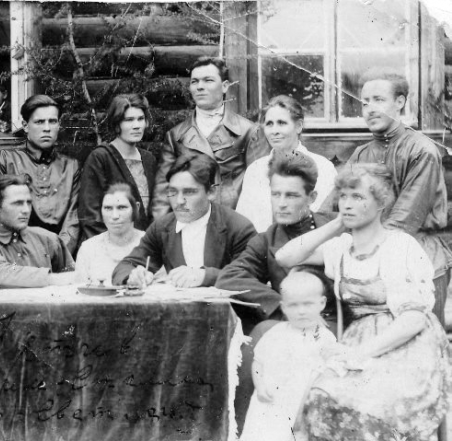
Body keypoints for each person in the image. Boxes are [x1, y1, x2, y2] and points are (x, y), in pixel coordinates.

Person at [275, 164, 451, 441]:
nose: (348, 203)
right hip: (357, 339)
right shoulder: (340, 247)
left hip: (408, 342)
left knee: (377, 399)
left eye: (358, 197)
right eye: (344, 196)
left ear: (381, 202)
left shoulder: (401, 246)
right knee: (320, 396)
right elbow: (286, 257)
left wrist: (362, 355)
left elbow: (413, 319)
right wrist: (337, 225)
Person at [347, 71, 451, 326]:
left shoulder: (422, 150)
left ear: (400, 102)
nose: (370, 109)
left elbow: (405, 219)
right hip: (372, 263)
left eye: (379, 100)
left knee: (423, 338)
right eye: (365, 102)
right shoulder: (360, 155)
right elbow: (336, 210)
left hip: (420, 258)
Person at [237, 270, 336, 441]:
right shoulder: (276, 333)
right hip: (270, 408)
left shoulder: (325, 339)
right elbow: (258, 363)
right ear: (283, 307)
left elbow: (324, 378)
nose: (301, 311)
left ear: (321, 304)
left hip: (300, 412)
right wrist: (260, 385)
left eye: (308, 304)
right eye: (293, 305)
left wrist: (305, 411)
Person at [217, 150, 336, 332]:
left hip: (336, 326)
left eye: (291, 195)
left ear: (311, 197)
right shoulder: (266, 240)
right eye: (276, 194)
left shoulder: (333, 228)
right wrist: (286, 307)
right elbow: (230, 278)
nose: (281, 203)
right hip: (291, 325)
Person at [112, 151, 256, 288]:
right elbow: (125, 266)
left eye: (189, 192)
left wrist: (206, 276)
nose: (179, 201)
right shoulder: (162, 227)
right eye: (173, 192)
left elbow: (252, 274)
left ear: (211, 192)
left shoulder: (238, 227)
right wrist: (133, 275)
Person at [155, 57, 268, 209]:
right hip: (191, 216)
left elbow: (260, 189)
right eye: (194, 81)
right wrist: (162, 224)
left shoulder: (249, 131)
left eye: (208, 80)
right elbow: (162, 194)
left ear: (225, 86)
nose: (200, 87)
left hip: (233, 218)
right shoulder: (175, 135)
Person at [0, 95, 80, 252]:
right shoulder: (5, 159)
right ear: (25, 126)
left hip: (59, 252)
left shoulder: (70, 166)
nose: (47, 128)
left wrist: (59, 255)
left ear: (59, 125)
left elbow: (73, 220)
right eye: (39, 122)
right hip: (15, 252)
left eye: (52, 121)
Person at [236, 95, 337, 232]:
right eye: (269, 124)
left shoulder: (323, 167)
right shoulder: (255, 169)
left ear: (299, 126)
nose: (274, 131)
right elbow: (244, 221)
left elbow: (321, 218)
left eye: (282, 123)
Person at [0, 174, 75, 288]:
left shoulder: (48, 239)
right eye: (17, 203)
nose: (26, 210)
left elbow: (73, 279)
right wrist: (50, 278)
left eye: (28, 203)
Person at [78, 94, 157, 243]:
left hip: (147, 247)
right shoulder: (100, 158)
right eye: (129, 120)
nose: (136, 125)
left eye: (140, 119)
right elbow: (90, 215)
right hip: (112, 247)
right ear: (116, 124)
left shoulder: (149, 159)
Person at [75, 183, 146, 285]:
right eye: (108, 208)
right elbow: (80, 290)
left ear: (136, 207)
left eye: (121, 207)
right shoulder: (89, 248)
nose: (115, 216)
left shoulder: (151, 244)